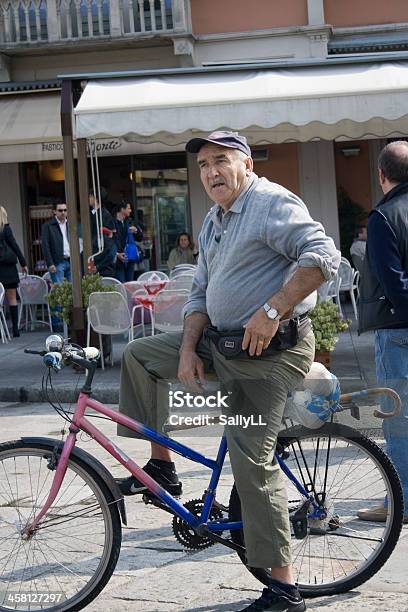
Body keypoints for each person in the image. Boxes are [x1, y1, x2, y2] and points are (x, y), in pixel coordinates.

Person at [116, 130, 340, 612]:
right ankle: (162, 467)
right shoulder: (216, 218)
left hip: (271, 352)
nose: (211, 172)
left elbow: (324, 257)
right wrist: (187, 348)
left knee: (250, 458)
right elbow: (200, 291)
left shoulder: (270, 203)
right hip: (224, 344)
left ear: (246, 163)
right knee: (138, 355)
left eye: (221, 160)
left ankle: (284, 587)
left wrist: (273, 309)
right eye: (202, 166)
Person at [358, 140, 408, 524]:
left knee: (398, 419)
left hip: (397, 331)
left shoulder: (384, 216)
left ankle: (402, 501)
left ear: (381, 174)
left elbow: (394, 284)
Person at [0, 206, 28, 337]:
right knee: (12, 298)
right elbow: (14, 245)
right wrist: (23, 263)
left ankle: (1, 330)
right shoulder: (6, 229)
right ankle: (15, 330)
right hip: (9, 267)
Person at [41, 203, 72, 284]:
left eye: (65, 210)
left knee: (74, 289)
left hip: (71, 260)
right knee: (59, 291)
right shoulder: (48, 226)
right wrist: (50, 263)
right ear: (54, 211)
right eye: (60, 210)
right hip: (57, 262)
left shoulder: (71, 224)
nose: (63, 212)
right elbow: (45, 246)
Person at [113, 201, 143, 282]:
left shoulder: (130, 222)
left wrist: (136, 231)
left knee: (130, 284)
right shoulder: (112, 222)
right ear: (122, 209)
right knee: (121, 284)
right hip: (118, 260)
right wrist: (117, 254)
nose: (130, 211)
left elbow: (140, 238)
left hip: (130, 258)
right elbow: (109, 242)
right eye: (129, 208)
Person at [89, 192, 117, 277]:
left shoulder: (105, 215)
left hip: (103, 262)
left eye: (90, 196)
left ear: (96, 199)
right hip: (93, 257)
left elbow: (110, 242)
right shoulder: (91, 214)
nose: (88, 199)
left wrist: (98, 266)